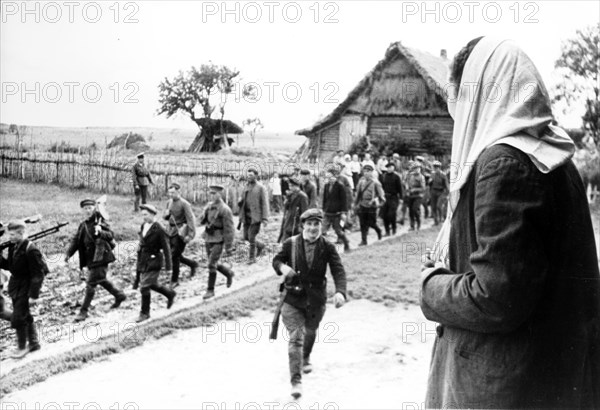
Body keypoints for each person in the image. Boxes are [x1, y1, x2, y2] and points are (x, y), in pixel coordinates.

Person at [420, 36, 600, 409]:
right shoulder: (554, 157)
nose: (457, 111)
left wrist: (432, 285)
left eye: (457, 97)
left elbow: (496, 299)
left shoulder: (503, 163)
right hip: (551, 372)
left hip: (503, 385)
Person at [272, 208, 347, 399]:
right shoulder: (291, 243)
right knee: (296, 338)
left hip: (316, 300)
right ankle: (296, 382)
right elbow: (277, 260)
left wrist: (340, 292)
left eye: (316, 224)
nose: (313, 228)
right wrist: (283, 267)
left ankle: (306, 357)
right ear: (303, 225)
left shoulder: (327, 247)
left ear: (321, 226)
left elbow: (338, 270)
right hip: (292, 299)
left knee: (311, 332)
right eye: (309, 224)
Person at [66, 199, 126, 322]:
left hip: (101, 256)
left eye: (90, 208)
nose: (88, 210)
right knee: (101, 280)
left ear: (94, 208)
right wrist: (68, 253)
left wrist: (101, 232)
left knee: (90, 284)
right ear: (82, 210)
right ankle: (119, 295)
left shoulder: (100, 221)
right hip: (90, 258)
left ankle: (84, 311)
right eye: (85, 208)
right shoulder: (83, 225)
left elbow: (111, 235)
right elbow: (76, 241)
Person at [0, 221, 47, 358]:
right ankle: (33, 343)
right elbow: (10, 266)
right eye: (9, 234)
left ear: (21, 233)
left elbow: (38, 274)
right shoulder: (13, 247)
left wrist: (33, 295)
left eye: (13, 234)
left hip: (27, 287)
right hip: (16, 286)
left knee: (19, 317)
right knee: (24, 314)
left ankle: (21, 347)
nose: (10, 237)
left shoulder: (31, 249)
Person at [135, 204, 176, 323]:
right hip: (144, 259)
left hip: (154, 260)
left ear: (153, 214)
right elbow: (142, 240)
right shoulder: (144, 225)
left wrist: (169, 268)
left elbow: (167, 249)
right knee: (151, 284)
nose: (144, 217)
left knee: (144, 286)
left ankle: (145, 313)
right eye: (142, 215)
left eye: (146, 215)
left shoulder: (159, 229)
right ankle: (169, 294)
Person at [199, 185, 235, 300]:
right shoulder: (209, 207)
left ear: (220, 194)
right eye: (211, 194)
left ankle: (210, 290)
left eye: (215, 194)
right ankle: (228, 273)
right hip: (209, 237)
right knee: (213, 262)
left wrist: (229, 247)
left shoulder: (225, 209)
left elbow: (229, 229)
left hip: (219, 239)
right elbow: (201, 221)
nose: (212, 196)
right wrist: (204, 213)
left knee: (211, 264)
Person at [162, 183, 198, 288]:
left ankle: (175, 280)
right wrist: (166, 215)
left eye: (173, 192)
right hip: (170, 231)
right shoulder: (169, 202)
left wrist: (190, 235)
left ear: (179, 192)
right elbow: (165, 217)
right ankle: (192, 264)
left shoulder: (185, 204)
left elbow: (191, 220)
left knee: (174, 256)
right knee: (175, 255)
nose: (171, 194)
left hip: (181, 232)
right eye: (170, 192)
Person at [238, 168, 269, 264]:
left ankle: (252, 258)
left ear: (256, 176)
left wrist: (265, 218)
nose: (248, 177)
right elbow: (243, 200)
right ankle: (261, 246)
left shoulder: (261, 188)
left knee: (251, 237)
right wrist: (240, 201)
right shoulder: (246, 186)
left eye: (251, 175)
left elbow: (265, 204)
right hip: (246, 216)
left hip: (256, 217)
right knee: (246, 237)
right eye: (248, 175)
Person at [354, 164, 385, 245]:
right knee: (362, 223)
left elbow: (382, 196)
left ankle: (378, 231)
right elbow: (358, 195)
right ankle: (364, 240)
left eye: (368, 171)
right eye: (364, 171)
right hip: (362, 204)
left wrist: (378, 205)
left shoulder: (376, 183)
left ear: (372, 172)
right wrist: (355, 204)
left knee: (371, 223)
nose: (366, 173)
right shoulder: (361, 182)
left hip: (372, 206)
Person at [322, 168, 350, 252]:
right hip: (328, 212)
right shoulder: (326, 186)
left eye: (331, 177)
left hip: (337, 213)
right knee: (322, 230)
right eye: (328, 177)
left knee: (338, 231)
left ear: (335, 177)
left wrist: (343, 212)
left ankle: (346, 244)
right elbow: (325, 199)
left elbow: (344, 200)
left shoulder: (340, 186)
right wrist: (323, 209)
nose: (330, 179)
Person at [278, 177, 309, 243]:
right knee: (285, 241)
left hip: (296, 223)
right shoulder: (290, 194)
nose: (290, 187)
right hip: (288, 221)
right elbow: (286, 207)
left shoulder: (302, 196)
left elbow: (305, 213)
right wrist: (287, 199)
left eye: (292, 186)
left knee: (295, 243)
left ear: (297, 186)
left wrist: (301, 225)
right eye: (289, 185)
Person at [379, 162, 404, 236]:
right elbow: (381, 187)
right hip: (385, 197)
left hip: (394, 197)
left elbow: (400, 188)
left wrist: (401, 198)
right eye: (388, 167)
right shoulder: (384, 176)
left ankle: (394, 229)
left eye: (391, 167)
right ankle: (387, 231)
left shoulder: (396, 177)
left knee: (391, 214)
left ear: (393, 168)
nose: (389, 168)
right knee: (384, 215)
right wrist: (380, 197)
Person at [406, 161, 426, 231]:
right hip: (411, 195)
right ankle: (412, 226)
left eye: (418, 168)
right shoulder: (410, 175)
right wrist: (407, 188)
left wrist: (415, 189)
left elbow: (423, 188)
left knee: (415, 209)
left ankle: (418, 223)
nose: (417, 170)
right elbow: (407, 182)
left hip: (418, 196)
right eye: (415, 168)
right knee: (410, 211)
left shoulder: (421, 177)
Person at [428, 160, 449, 225]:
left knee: (438, 206)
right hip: (433, 191)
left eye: (437, 167)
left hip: (441, 192)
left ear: (439, 168)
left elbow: (446, 185)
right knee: (433, 207)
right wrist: (430, 181)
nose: (435, 169)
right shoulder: (432, 174)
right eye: (434, 167)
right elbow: (429, 184)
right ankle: (436, 221)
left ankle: (441, 218)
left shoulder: (443, 175)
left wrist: (448, 194)